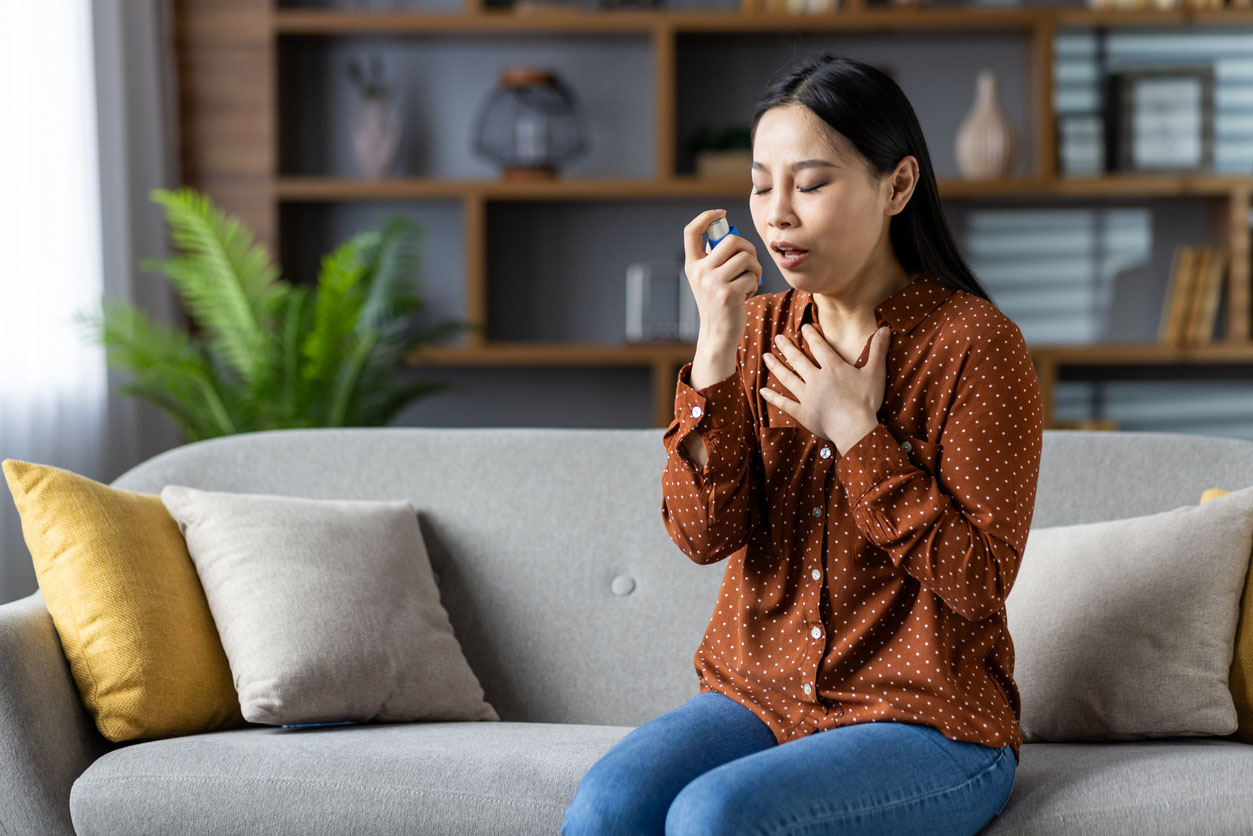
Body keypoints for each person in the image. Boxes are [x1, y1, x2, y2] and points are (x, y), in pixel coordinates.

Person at [561, 51, 1042, 836]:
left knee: (715, 816)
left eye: (811, 184)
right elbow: (699, 534)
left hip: (927, 721)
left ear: (897, 185)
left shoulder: (974, 345)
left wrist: (856, 431)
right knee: (607, 806)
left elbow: (979, 581)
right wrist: (713, 350)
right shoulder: (752, 330)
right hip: (757, 695)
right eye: (760, 185)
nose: (776, 213)